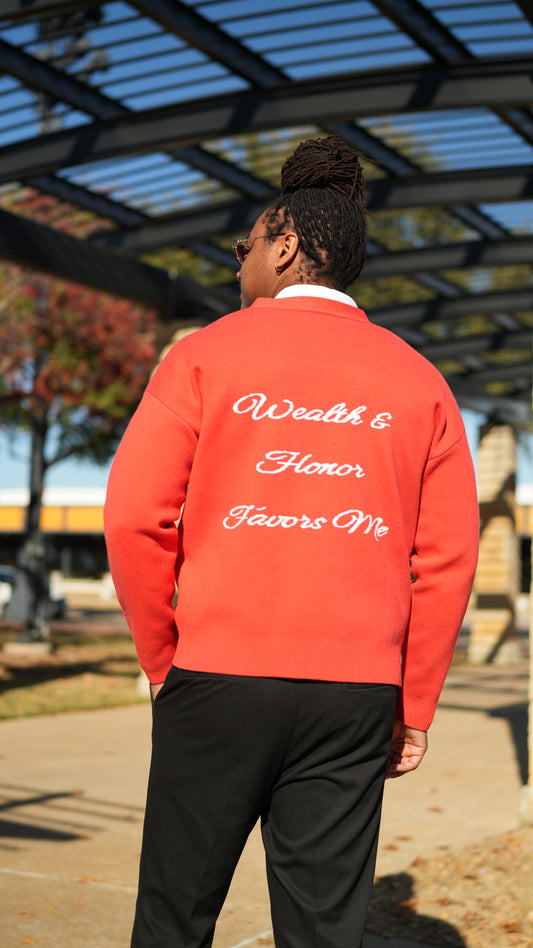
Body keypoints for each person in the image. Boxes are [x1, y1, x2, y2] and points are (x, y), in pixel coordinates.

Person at [104, 135, 479, 948]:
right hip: (354, 697)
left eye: (242, 249)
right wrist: (413, 705)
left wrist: (164, 656)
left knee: (174, 914)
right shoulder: (421, 382)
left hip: (216, 677)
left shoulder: (202, 356)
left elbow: (135, 517)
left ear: (283, 246)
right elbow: (445, 560)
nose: (236, 266)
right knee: (321, 929)